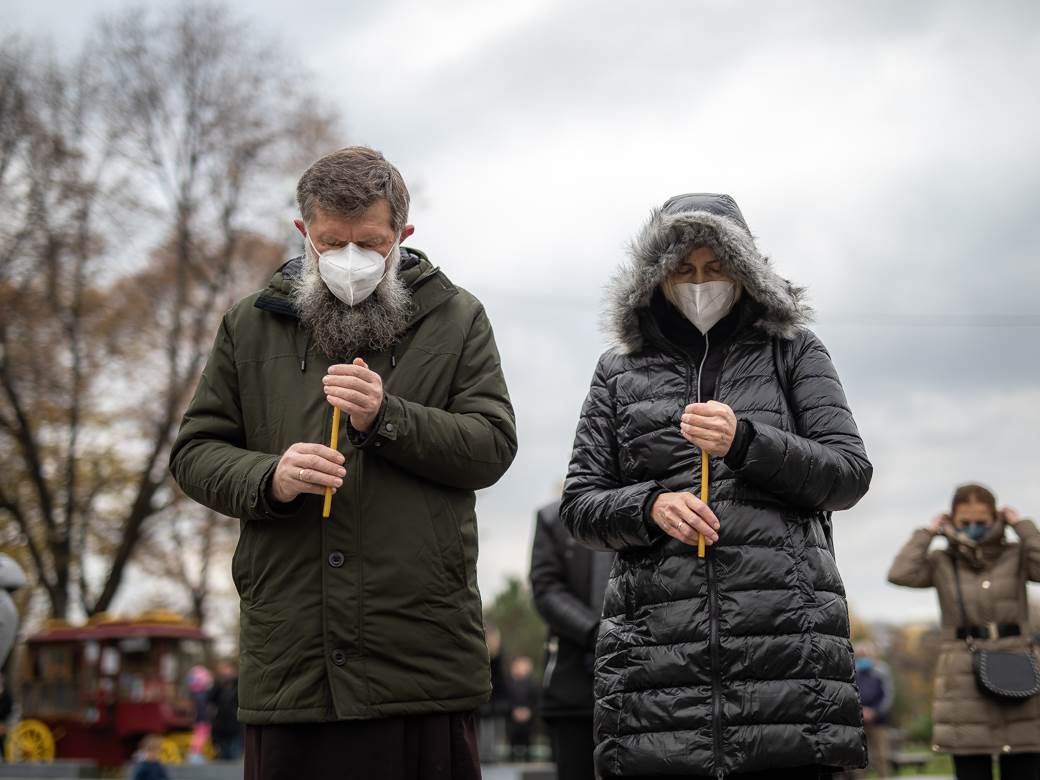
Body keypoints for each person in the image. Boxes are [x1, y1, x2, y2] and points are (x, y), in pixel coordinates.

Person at [169, 146, 517, 780]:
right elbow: (194, 453)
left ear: (402, 237)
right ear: (304, 233)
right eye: (332, 243)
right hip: (293, 663)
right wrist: (268, 477)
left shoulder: (457, 317)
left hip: (418, 660)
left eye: (372, 244)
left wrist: (388, 418)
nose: (351, 261)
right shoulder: (249, 326)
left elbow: (492, 445)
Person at [561, 193, 873, 779]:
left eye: (716, 267)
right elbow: (580, 504)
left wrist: (747, 442)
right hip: (656, 667)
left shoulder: (794, 350)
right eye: (683, 270)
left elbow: (848, 474)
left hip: (785, 660)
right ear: (655, 278)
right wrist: (650, 505)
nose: (700, 283)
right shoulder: (619, 369)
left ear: (745, 271)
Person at [888, 484, 1040, 780]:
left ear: (997, 518)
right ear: (952, 520)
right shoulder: (942, 561)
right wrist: (928, 532)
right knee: (971, 768)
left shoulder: (1016, 554)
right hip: (963, 672)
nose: (974, 529)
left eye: (981, 522)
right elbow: (900, 573)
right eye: (965, 522)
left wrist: (1023, 526)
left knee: (1025, 765)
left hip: (1017, 666)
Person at [529, 498, 614, 780]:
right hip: (574, 686)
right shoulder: (552, 517)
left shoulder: (650, 506)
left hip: (642, 685)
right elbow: (545, 590)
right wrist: (596, 632)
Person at [850, 640, 893, 778]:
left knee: (881, 756)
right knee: (859, 758)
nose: (864, 657)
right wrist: (859, 711)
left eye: (866, 654)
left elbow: (887, 695)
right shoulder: (852, 672)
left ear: (873, 654)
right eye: (861, 654)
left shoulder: (882, 671)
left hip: (878, 721)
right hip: (858, 722)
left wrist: (875, 711)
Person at [209, 660, 243, 761]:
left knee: (234, 757)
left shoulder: (239, 686)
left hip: (235, 726)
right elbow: (210, 700)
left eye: (228, 670)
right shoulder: (218, 686)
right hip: (220, 727)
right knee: (222, 757)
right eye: (224, 670)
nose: (226, 673)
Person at [506, 656, 536, 762]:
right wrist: (514, 710)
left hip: (528, 719)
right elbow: (507, 699)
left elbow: (535, 700)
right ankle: (512, 757)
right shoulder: (509, 684)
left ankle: (528, 757)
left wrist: (528, 711)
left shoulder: (533, 684)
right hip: (512, 718)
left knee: (528, 736)